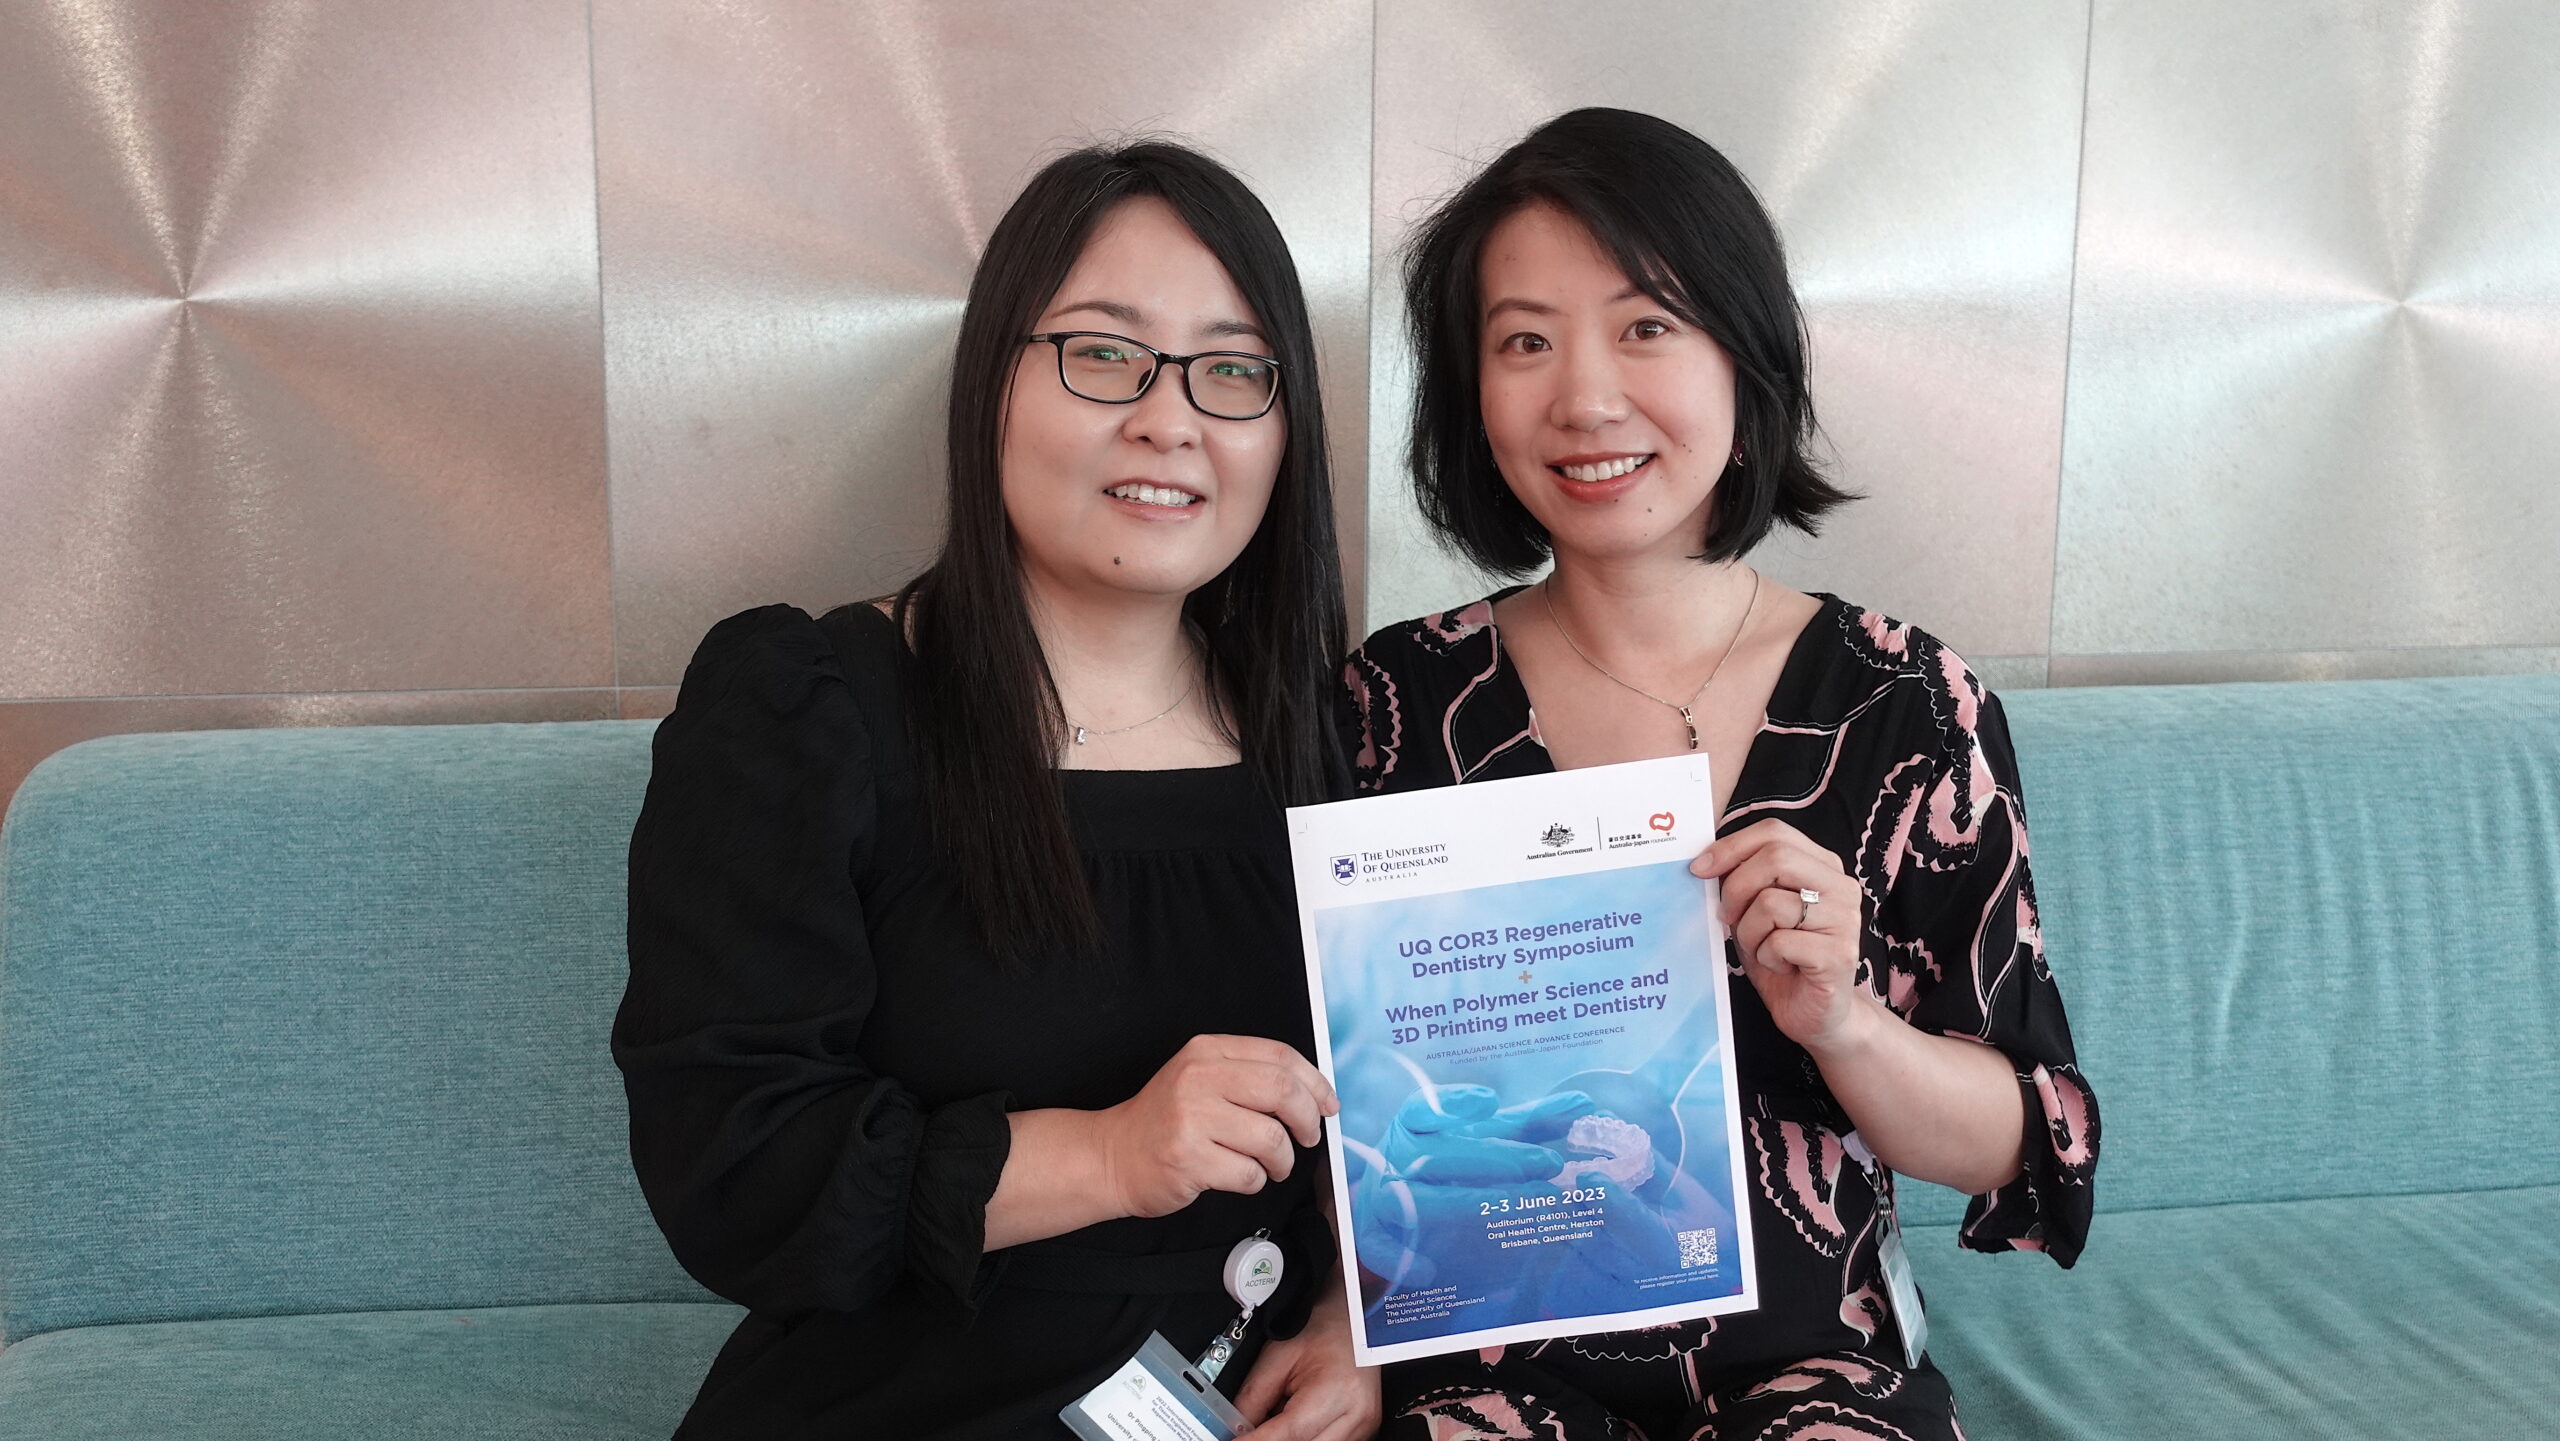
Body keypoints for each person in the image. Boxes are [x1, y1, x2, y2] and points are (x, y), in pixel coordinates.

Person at [1342, 108, 2100, 1441]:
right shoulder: (1390, 704)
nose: (1585, 397)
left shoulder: (1907, 702)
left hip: (1812, 1369)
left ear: (1746, 363)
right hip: (1482, 1375)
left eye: (1647, 325)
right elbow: (1329, 1090)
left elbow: (2021, 1140)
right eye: (1525, 341)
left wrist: (1846, 1022)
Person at [616, 141, 1379, 1441]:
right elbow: (735, 1169)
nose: (1171, 419)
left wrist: (1357, 1327)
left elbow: (1428, 1128)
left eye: (1232, 370)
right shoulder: (807, 709)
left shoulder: (1341, 735)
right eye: (1105, 353)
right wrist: (1114, 1153)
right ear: (991, 383)